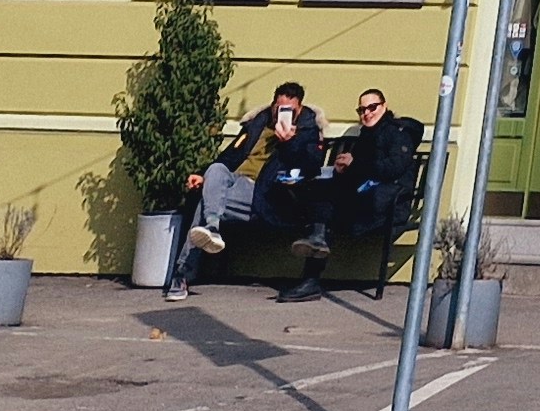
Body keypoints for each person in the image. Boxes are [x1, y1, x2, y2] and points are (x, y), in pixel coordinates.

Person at [173, 80, 333, 301]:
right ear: (273, 104)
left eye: (290, 110)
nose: (282, 114)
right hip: (233, 182)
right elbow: (229, 156)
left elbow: (311, 165)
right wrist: (203, 174)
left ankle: (182, 274)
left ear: (300, 108)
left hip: (264, 192)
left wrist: (289, 142)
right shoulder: (257, 123)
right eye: (279, 108)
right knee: (216, 169)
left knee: (205, 202)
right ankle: (212, 226)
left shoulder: (307, 130)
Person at [330, 88, 423, 247]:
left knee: (328, 214)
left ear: (384, 106)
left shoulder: (398, 133)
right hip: (367, 199)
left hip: (388, 205)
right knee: (321, 200)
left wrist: (354, 164)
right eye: (361, 110)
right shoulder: (366, 135)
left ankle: (316, 249)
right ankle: (316, 243)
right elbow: (360, 172)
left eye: (372, 107)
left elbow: (393, 168)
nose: (367, 113)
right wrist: (342, 170)